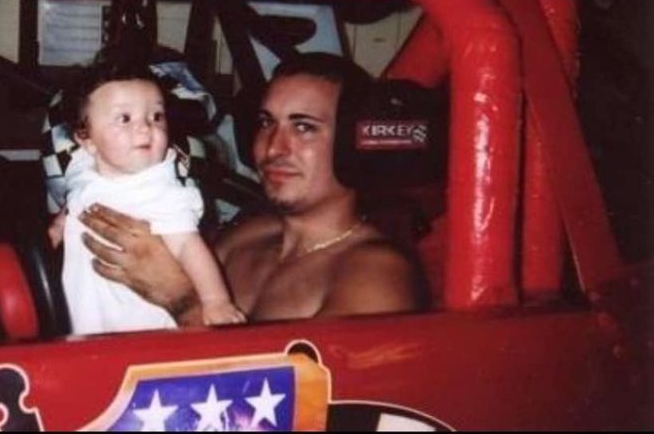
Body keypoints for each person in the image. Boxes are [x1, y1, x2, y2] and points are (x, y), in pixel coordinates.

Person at [79, 52, 425, 325]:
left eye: (303, 127)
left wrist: (182, 301)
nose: (273, 148)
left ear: (352, 143)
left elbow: (309, 401)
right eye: (266, 123)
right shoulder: (248, 235)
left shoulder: (377, 274)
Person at [51, 56, 246, 334]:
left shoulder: (162, 190)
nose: (145, 127)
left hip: (142, 322)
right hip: (86, 313)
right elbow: (75, 200)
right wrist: (55, 231)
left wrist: (215, 301)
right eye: (125, 118)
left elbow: (189, 247)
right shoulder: (82, 165)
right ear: (87, 139)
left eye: (156, 116)